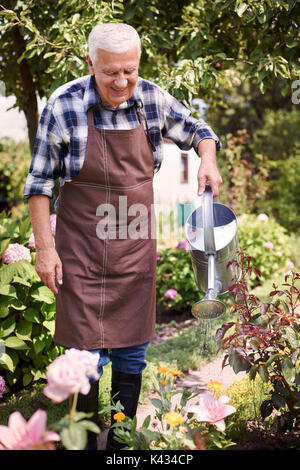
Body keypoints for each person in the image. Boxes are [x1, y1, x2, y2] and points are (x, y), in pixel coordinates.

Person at [23, 23, 222, 450]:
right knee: (84, 357)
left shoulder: (151, 97)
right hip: (80, 251)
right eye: (111, 72)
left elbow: (200, 131)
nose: (122, 82)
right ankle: (86, 443)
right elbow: (39, 184)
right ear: (90, 63)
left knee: (132, 352)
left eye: (129, 71)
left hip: (134, 249)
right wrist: (45, 250)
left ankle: (121, 446)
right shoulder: (64, 105)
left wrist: (208, 160)